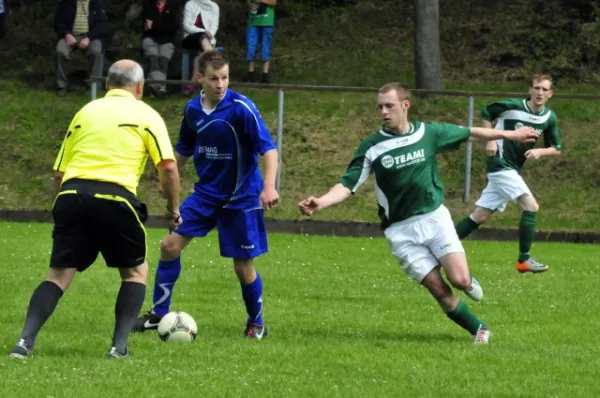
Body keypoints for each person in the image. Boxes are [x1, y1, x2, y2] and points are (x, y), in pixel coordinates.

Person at [298, 82, 538, 343]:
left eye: (389, 106)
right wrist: (321, 202)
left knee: (460, 280)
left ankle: (467, 280)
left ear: (405, 105)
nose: (384, 112)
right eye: (380, 107)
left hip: (434, 218)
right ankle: (479, 329)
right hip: (400, 231)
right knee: (438, 288)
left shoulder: (428, 133)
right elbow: (347, 185)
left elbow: (470, 133)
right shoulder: (372, 147)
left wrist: (510, 136)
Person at [9, 60, 181, 360]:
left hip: (71, 195)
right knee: (134, 274)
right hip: (116, 197)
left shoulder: (85, 112)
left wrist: (57, 215)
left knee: (58, 276)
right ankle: (118, 348)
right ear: (139, 87)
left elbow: (59, 173)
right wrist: (172, 208)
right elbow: (167, 167)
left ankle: (23, 343)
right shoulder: (145, 114)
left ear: (106, 85)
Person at [132, 50, 279, 340]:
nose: (221, 84)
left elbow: (269, 149)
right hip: (206, 195)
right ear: (199, 78)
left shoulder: (242, 108)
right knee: (169, 245)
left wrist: (270, 186)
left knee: (242, 267)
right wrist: (167, 176)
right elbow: (184, 149)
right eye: (214, 78)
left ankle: (256, 322)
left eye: (224, 77)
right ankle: (159, 314)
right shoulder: (192, 110)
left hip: (242, 197)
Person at [454, 74, 562, 274]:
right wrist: (490, 140)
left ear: (550, 94)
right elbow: (487, 112)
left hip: (512, 168)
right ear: (530, 90)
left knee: (480, 216)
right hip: (499, 163)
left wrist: (540, 151)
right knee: (531, 206)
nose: (540, 93)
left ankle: (440, 247)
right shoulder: (512, 106)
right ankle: (524, 260)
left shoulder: (549, 118)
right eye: (537, 88)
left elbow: (557, 147)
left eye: (544, 89)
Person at [54, 0, 109, 96]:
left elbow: (103, 25)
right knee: (61, 51)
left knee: (96, 51)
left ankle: (92, 87)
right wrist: (67, 34)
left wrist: (89, 37)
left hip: (91, 37)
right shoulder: (66, 2)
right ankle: (61, 86)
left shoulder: (97, 3)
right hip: (70, 35)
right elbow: (58, 22)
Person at [142, 0, 181, 97]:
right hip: (150, 39)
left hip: (167, 41)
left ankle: (156, 90)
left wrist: (154, 26)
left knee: (163, 61)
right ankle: (159, 89)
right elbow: (146, 27)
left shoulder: (174, 5)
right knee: (153, 59)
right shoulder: (148, 5)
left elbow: (174, 26)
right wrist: (158, 27)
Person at [181, 0, 219, 95]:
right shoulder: (190, 4)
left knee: (199, 56)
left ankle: (192, 85)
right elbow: (186, 26)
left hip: (208, 39)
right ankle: (215, 80)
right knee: (203, 39)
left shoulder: (214, 6)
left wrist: (207, 34)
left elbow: (214, 27)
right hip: (190, 38)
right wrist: (203, 32)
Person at [244, 0, 277, 84]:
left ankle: (265, 76)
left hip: (267, 22)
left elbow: (273, 2)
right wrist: (249, 4)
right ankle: (250, 74)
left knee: (266, 47)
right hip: (253, 20)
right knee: (251, 46)